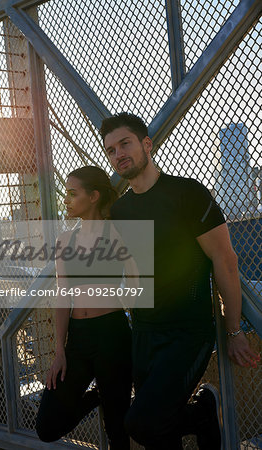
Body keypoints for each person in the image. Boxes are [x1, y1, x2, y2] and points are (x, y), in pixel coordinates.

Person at [99, 113, 260, 450]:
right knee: (159, 434)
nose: (118, 154)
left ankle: (203, 412)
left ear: (146, 144)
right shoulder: (121, 210)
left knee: (142, 422)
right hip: (144, 330)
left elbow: (225, 261)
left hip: (188, 331)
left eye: (125, 143)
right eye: (111, 150)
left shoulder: (188, 193)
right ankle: (199, 418)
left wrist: (233, 330)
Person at [35, 166, 133, 450]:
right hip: (78, 338)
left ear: (93, 196)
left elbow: (140, 280)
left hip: (112, 335)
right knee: (47, 425)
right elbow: (63, 296)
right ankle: (96, 397)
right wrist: (59, 350)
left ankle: (108, 397)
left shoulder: (117, 233)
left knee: (117, 429)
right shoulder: (65, 240)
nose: (66, 199)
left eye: (71, 193)